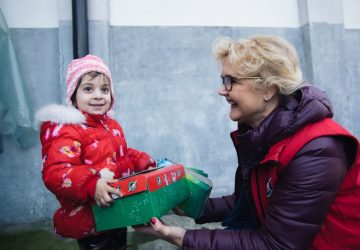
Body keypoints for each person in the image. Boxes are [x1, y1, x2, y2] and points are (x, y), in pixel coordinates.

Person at [135, 35, 360, 249]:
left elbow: (277, 245)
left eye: (231, 81)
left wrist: (181, 236)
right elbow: (251, 201)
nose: (222, 90)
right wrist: (186, 206)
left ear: (268, 89)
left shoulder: (317, 149)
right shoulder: (266, 134)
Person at [35, 55, 156, 249]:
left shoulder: (110, 125)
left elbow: (119, 154)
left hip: (117, 209)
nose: (98, 95)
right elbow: (56, 172)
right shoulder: (68, 130)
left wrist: (141, 161)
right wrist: (91, 184)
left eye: (104, 89)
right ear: (73, 96)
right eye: (88, 89)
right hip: (91, 219)